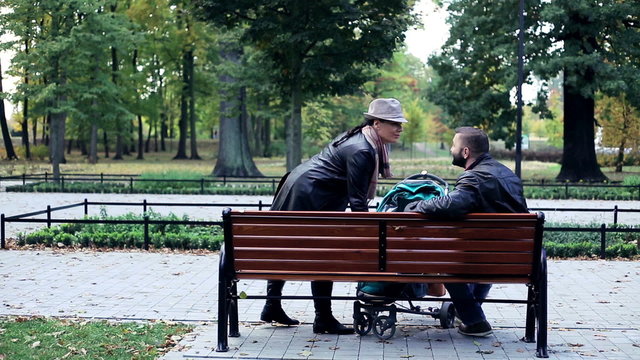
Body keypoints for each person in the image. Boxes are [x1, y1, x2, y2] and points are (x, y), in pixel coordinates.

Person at [260, 98, 406, 334]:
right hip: (311, 195)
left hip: (302, 187)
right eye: (394, 123)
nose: (399, 128)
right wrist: (369, 236)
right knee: (322, 254)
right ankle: (322, 318)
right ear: (377, 123)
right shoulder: (362, 150)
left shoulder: (362, 139)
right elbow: (358, 201)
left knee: (285, 247)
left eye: (400, 123)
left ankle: (273, 306)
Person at [404, 127, 528, 337]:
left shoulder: (474, 177)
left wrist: (415, 206)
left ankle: (474, 320)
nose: (451, 149)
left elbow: (451, 205)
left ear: (466, 152)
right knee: (483, 255)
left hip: (488, 257)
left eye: (454, 145)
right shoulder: (509, 175)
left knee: (446, 264)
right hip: (516, 257)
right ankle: (469, 311)